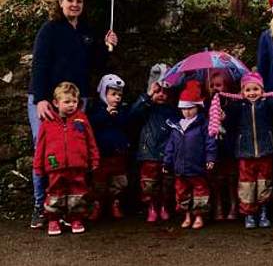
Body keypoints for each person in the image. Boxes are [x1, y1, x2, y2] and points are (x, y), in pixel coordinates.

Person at [28, 0, 117, 229]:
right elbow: (39, 65)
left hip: (78, 100)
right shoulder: (50, 30)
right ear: (61, 2)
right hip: (49, 101)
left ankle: (70, 209)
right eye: (70, 0)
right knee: (45, 151)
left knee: (74, 151)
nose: (75, 4)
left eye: (79, 1)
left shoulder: (86, 32)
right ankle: (41, 206)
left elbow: (96, 63)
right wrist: (41, 99)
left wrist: (107, 45)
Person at [208, 72, 273, 229]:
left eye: (255, 89)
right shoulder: (237, 106)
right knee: (246, 185)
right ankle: (249, 213)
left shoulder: (267, 105)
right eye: (248, 90)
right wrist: (224, 117)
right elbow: (230, 125)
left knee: (264, 183)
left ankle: (263, 211)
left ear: (262, 90)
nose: (252, 93)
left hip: (265, 150)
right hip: (245, 152)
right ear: (242, 92)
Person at [33, 82, 99, 236]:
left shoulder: (82, 119)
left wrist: (94, 159)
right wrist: (38, 166)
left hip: (78, 166)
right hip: (55, 165)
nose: (71, 105)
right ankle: (54, 219)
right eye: (67, 101)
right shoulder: (47, 122)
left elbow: (90, 141)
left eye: (74, 101)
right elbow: (40, 145)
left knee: (78, 193)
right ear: (56, 103)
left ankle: (75, 218)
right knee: (55, 194)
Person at [163, 81, 216, 230]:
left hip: (197, 166)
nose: (187, 112)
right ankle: (186, 215)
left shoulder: (203, 124)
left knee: (200, 192)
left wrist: (210, 158)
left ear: (197, 107)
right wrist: (167, 162)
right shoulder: (176, 126)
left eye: (190, 108)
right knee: (181, 193)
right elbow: (170, 146)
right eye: (184, 108)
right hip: (180, 168)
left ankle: (199, 216)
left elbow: (210, 143)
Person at [131, 69, 178, 223]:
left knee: (167, 182)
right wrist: (148, 96)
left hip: (167, 153)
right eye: (158, 91)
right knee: (149, 183)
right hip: (149, 152)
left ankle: (164, 206)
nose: (161, 95)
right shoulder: (146, 108)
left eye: (165, 91)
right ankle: (151, 206)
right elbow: (132, 115)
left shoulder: (172, 110)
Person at [88, 74, 131, 221]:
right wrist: (106, 114)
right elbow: (92, 124)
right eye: (113, 94)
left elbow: (126, 124)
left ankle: (115, 203)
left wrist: (116, 115)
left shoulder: (122, 109)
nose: (117, 98)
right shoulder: (96, 109)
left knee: (118, 181)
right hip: (101, 154)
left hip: (118, 153)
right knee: (99, 181)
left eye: (119, 95)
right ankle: (97, 204)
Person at [204, 70, 239, 221]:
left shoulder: (233, 103)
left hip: (229, 145)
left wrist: (226, 118)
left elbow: (238, 125)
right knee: (216, 178)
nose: (215, 88)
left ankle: (234, 204)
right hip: (214, 147)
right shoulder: (206, 103)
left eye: (218, 85)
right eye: (212, 85)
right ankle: (218, 205)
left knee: (231, 176)